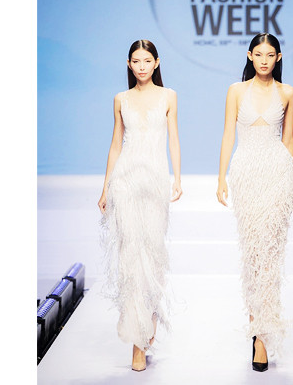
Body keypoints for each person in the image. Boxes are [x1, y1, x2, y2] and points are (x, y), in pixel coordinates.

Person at [98, 39, 182, 372]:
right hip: (126, 181)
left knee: (153, 254)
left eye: (147, 60)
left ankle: (148, 323)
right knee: (130, 257)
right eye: (136, 61)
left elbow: (173, 138)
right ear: (129, 64)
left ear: (156, 63)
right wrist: (105, 188)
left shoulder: (169, 96)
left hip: (156, 182)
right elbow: (115, 144)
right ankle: (137, 342)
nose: (142, 66)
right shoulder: (120, 99)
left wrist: (178, 178)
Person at [216, 33, 293, 372]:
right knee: (254, 253)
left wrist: (292, 184)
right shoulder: (236, 91)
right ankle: (257, 328)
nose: (264, 60)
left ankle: (263, 336)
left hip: (277, 173)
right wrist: (221, 177)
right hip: (246, 173)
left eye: (270, 55)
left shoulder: (288, 93)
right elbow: (228, 135)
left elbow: (288, 139)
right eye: (259, 54)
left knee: (270, 254)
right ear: (250, 56)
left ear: (278, 58)